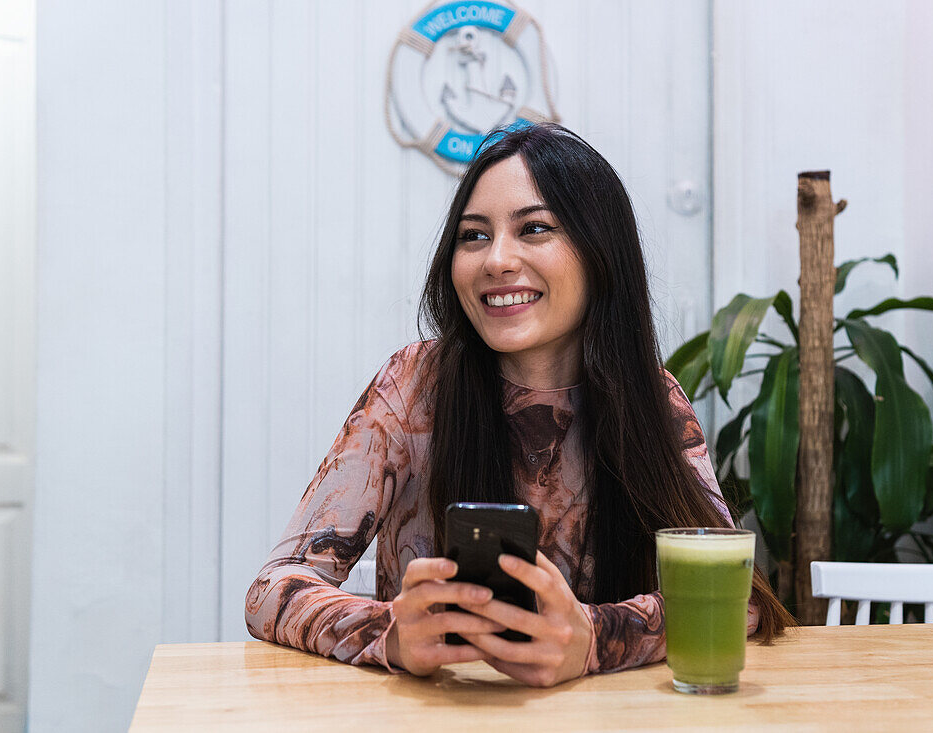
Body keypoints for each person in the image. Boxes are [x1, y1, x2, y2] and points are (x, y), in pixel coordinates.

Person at [244, 122, 795, 687]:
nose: (496, 260)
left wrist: (594, 637)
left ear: (599, 252)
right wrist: (389, 632)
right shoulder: (413, 386)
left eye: (534, 229)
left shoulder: (652, 397)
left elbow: (738, 598)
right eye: (474, 236)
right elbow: (273, 589)